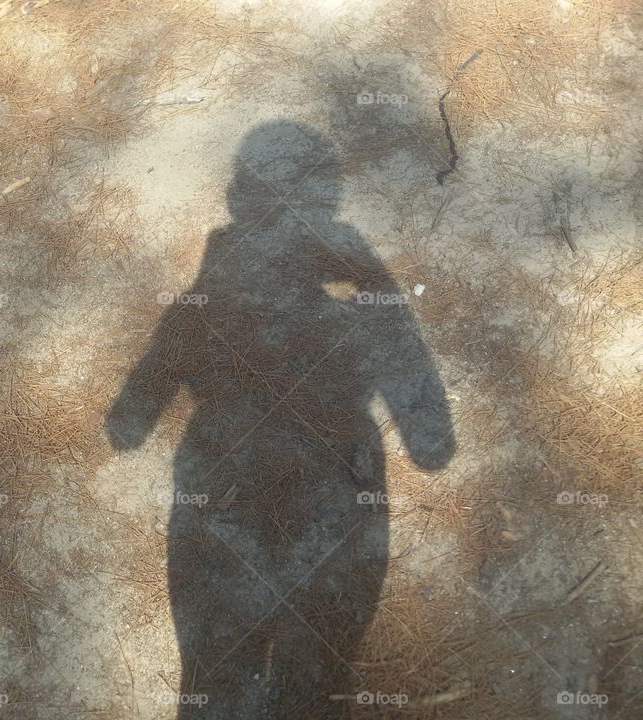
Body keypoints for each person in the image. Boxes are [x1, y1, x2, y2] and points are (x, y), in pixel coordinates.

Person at [107, 120, 455, 718]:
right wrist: (375, 286)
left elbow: (127, 423)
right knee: (314, 688)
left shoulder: (207, 299)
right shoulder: (356, 302)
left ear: (237, 202)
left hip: (222, 494)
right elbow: (432, 442)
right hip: (335, 505)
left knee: (215, 683)